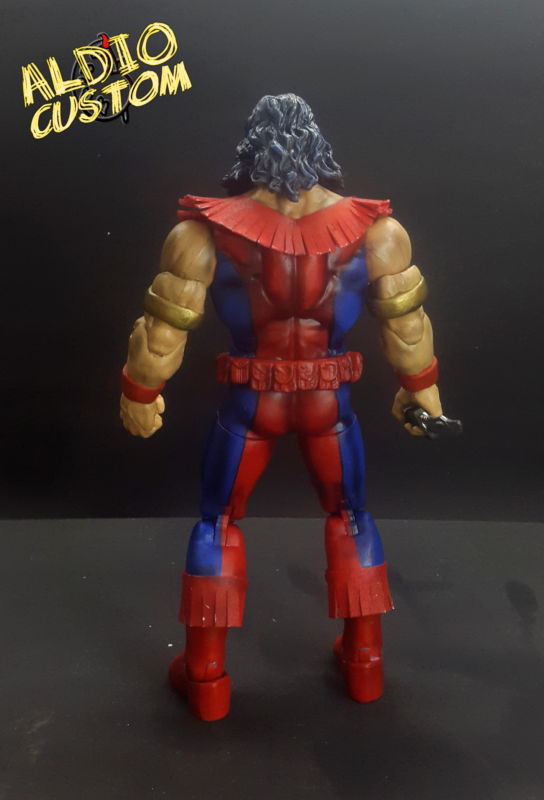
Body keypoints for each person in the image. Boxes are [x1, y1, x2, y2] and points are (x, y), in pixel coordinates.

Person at [120, 93, 444, 721]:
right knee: (351, 516)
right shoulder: (377, 233)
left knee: (217, 523)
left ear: (251, 146)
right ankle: (364, 665)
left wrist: (140, 392)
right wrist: (422, 388)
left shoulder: (200, 235)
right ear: (316, 146)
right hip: (328, 401)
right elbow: (407, 330)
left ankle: (206, 678)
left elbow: (161, 338)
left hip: (252, 403)